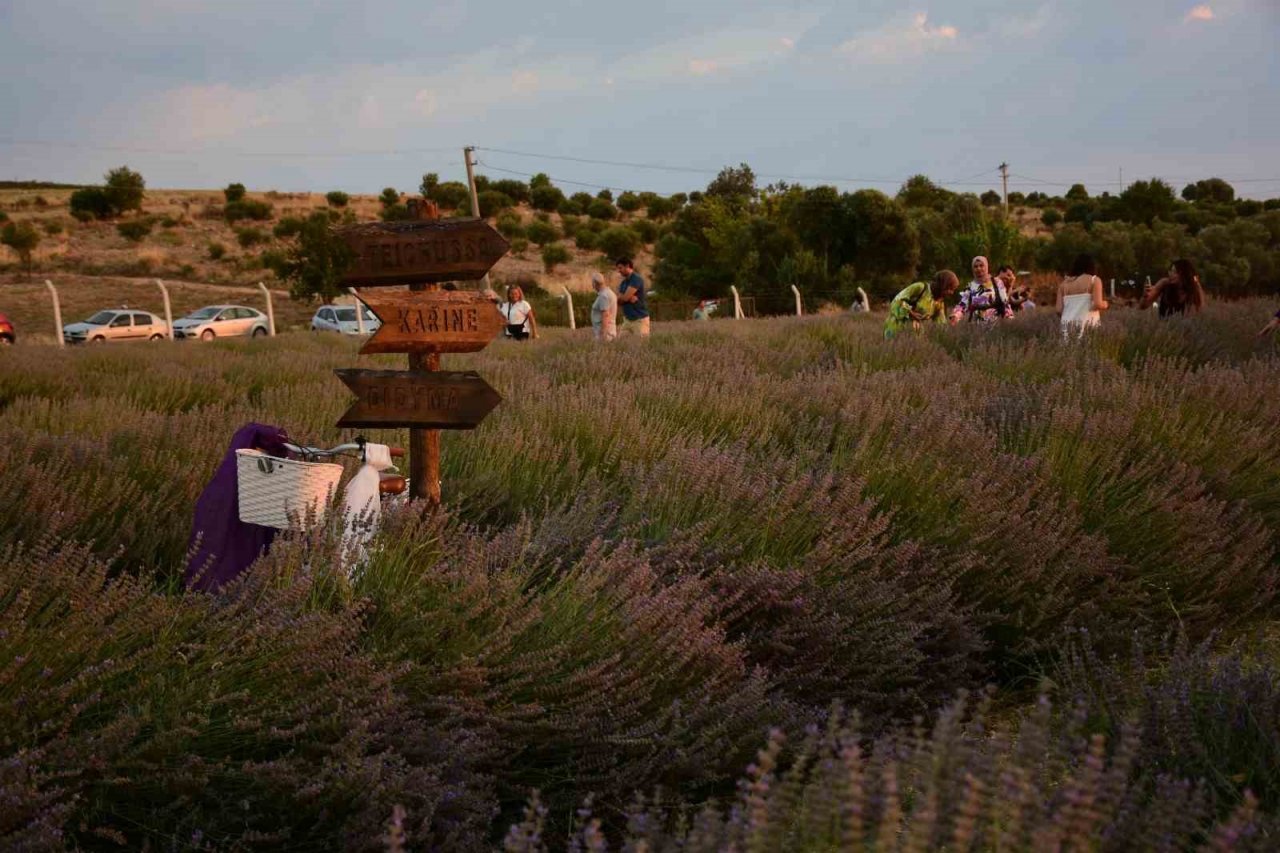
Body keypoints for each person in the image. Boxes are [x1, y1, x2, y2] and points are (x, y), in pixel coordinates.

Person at [885, 270, 960, 339]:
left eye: (953, 290)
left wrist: (952, 323)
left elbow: (940, 324)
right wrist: (910, 312)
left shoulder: (939, 303)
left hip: (914, 332)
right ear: (942, 285)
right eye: (950, 289)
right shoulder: (920, 288)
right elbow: (897, 300)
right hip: (896, 326)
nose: (951, 293)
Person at [1056, 253, 1109, 338]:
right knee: (1088, 349)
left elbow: (1058, 310)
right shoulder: (1094, 280)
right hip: (1088, 325)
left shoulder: (1063, 284)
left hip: (1067, 326)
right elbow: (1097, 304)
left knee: (1068, 350)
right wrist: (1105, 304)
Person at [951, 256, 1014, 324]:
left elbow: (1005, 302)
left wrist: (1009, 318)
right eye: (975, 266)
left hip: (996, 324)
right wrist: (956, 315)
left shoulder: (997, 282)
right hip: (976, 326)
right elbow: (963, 305)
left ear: (986, 267)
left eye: (981, 265)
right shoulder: (970, 286)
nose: (978, 268)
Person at [1140, 258, 1205, 317]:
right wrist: (1145, 296)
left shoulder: (1193, 290)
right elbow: (1143, 306)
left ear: (1183, 274)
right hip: (1164, 327)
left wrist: (1196, 282)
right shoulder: (1164, 283)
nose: (1170, 274)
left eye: (1174, 272)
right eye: (1170, 271)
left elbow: (1201, 311)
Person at [615, 256, 650, 337]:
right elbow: (619, 301)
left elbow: (624, 298)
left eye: (620, 268)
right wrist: (626, 298)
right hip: (627, 320)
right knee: (620, 345)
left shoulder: (636, 279)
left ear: (627, 266)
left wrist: (624, 298)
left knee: (641, 347)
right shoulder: (623, 283)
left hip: (639, 319)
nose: (619, 271)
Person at [590, 272, 617, 341]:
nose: (592, 286)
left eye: (592, 283)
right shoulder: (610, 292)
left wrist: (603, 334)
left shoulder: (603, 296)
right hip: (610, 331)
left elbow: (605, 315)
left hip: (605, 334)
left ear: (595, 283)